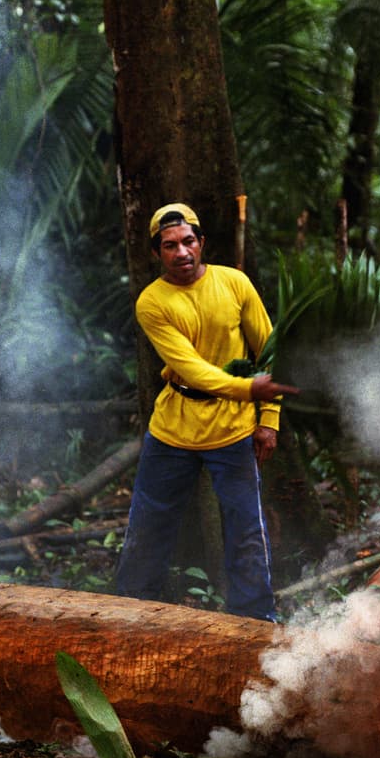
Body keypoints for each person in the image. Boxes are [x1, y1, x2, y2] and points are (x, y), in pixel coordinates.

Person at [114, 202, 300, 621]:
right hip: (172, 431)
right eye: (169, 246)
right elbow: (191, 370)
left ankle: (254, 620)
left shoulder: (234, 283)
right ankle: (130, 612)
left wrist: (268, 420)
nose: (181, 253)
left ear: (201, 243)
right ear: (156, 253)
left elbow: (269, 351)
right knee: (149, 525)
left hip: (233, 432)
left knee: (245, 530)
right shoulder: (152, 302)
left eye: (187, 242)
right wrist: (247, 389)